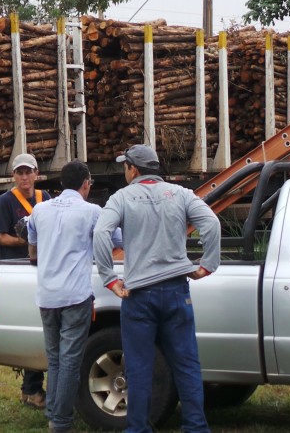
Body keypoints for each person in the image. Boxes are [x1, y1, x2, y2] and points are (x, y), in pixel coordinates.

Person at [93, 144, 220, 433]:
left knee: (138, 368)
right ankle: (196, 427)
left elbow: (101, 233)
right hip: (177, 291)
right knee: (186, 364)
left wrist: (110, 278)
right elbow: (211, 223)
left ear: (133, 169)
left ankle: (138, 428)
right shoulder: (182, 194)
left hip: (139, 296)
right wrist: (207, 264)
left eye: (125, 166)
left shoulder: (121, 198)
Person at [27, 161, 104, 433]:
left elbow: (32, 250)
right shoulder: (92, 212)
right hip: (75, 295)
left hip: (47, 296)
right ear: (86, 183)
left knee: (55, 358)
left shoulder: (39, 210)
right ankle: (60, 421)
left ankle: (54, 411)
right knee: (70, 359)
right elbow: (116, 239)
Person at [0, 152, 51, 408]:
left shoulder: (45, 199)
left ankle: (30, 390)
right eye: (19, 172)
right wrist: (26, 241)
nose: (24, 177)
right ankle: (32, 389)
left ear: (36, 174)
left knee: (38, 326)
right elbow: (1, 237)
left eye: (28, 172)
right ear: (13, 176)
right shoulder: (4, 202)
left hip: (42, 268)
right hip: (18, 268)